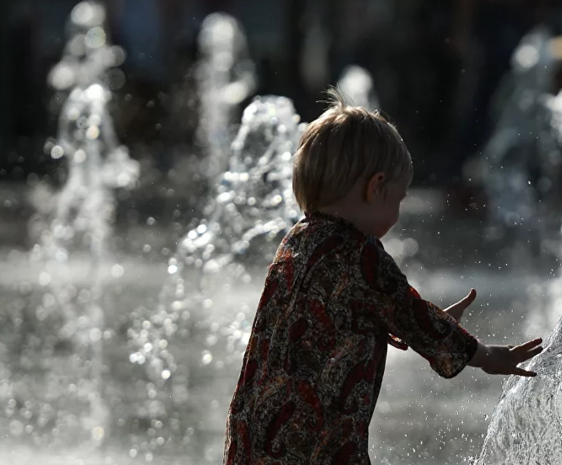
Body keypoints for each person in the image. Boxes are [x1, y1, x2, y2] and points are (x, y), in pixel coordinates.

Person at [223, 89, 544, 464]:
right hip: (314, 441)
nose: (397, 212)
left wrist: (398, 324)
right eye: (398, 198)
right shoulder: (361, 253)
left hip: (253, 431)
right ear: (375, 188)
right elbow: (410, 313)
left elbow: (325, 314)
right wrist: (485, 355)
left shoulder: (296, 241)